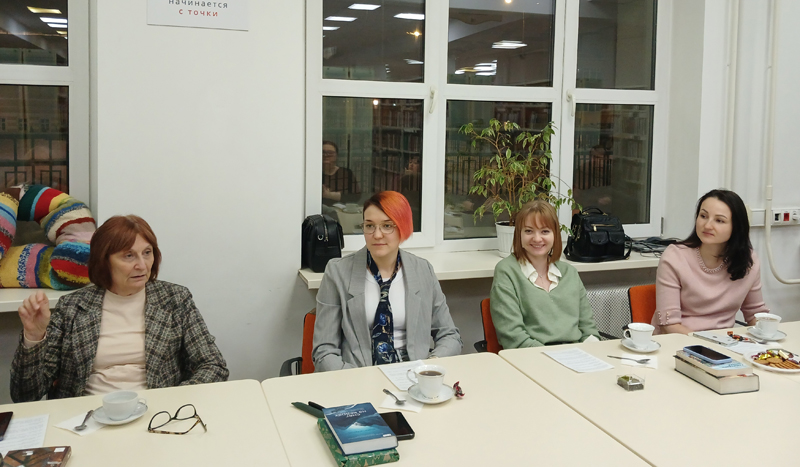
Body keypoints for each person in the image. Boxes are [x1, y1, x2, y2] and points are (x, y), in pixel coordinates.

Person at [11, 215, 229, 402]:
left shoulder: (174, 300)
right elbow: (25, 395)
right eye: (128, 255)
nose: (142, 265)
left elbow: (213, 365)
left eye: (147, 252)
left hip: (155, 413)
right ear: (104, 261)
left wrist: (170, 402)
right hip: (86, 416)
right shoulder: (72, 307)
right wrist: (34, 337)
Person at [313, 191, 462, 371]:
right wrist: (355, 378)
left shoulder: (423, 270)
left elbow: (450, 335)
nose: (377, 235)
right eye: (369, 226)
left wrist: (428, 368)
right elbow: (324, 351)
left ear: (403, 227)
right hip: (358, 373)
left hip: (414, 374)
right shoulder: (337, 272)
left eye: (387, 226)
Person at [652, 189, 768, 334]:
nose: (707, 225)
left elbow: (755, 313)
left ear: (736, 227)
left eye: (719, 220)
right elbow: (669, 325)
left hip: (725, 342)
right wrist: (708, 344)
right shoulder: (675, 257)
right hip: (680, 341)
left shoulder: (749, 260)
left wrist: (768, 333)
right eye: (703, 216)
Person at [490, 200, 600, 347]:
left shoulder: (570, 273)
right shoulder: (507, 271)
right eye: (528, 231)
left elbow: (588, 330)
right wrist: (552, 357)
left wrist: (594, 351)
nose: (537, 238)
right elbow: (514, 338)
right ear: (519, 235)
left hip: (575, 353)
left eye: (545, 231)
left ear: (555, 235)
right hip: (532, 355)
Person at [322, 140, 361, 206]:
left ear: (336, 156)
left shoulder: (346, 173)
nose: (326, 155)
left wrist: (329, 195)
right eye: (323, 152)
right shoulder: (312, 173)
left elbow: (355, 196)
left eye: (330, 153)